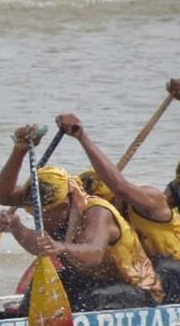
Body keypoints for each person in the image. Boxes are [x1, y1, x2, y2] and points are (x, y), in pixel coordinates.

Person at [0, 131, 161, 312]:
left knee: (94, 298)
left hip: (136, 288)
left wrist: (62, 247)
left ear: (65, 204)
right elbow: (3, 196)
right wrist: (19, 151)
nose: (40, 219)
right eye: (34, 214)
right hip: (89, 279)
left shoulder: (96, 211)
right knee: (41, 286)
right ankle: (23, 322)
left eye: (44, 214)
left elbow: (94, 252)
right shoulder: (45, 199)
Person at [57, 110, 180, 303]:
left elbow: (119, 185)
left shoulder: (151, 201)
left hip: (172, 272)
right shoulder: (103, 215)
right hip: (148, 274)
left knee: (161, 266)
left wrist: (82, 137)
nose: (94, 211)